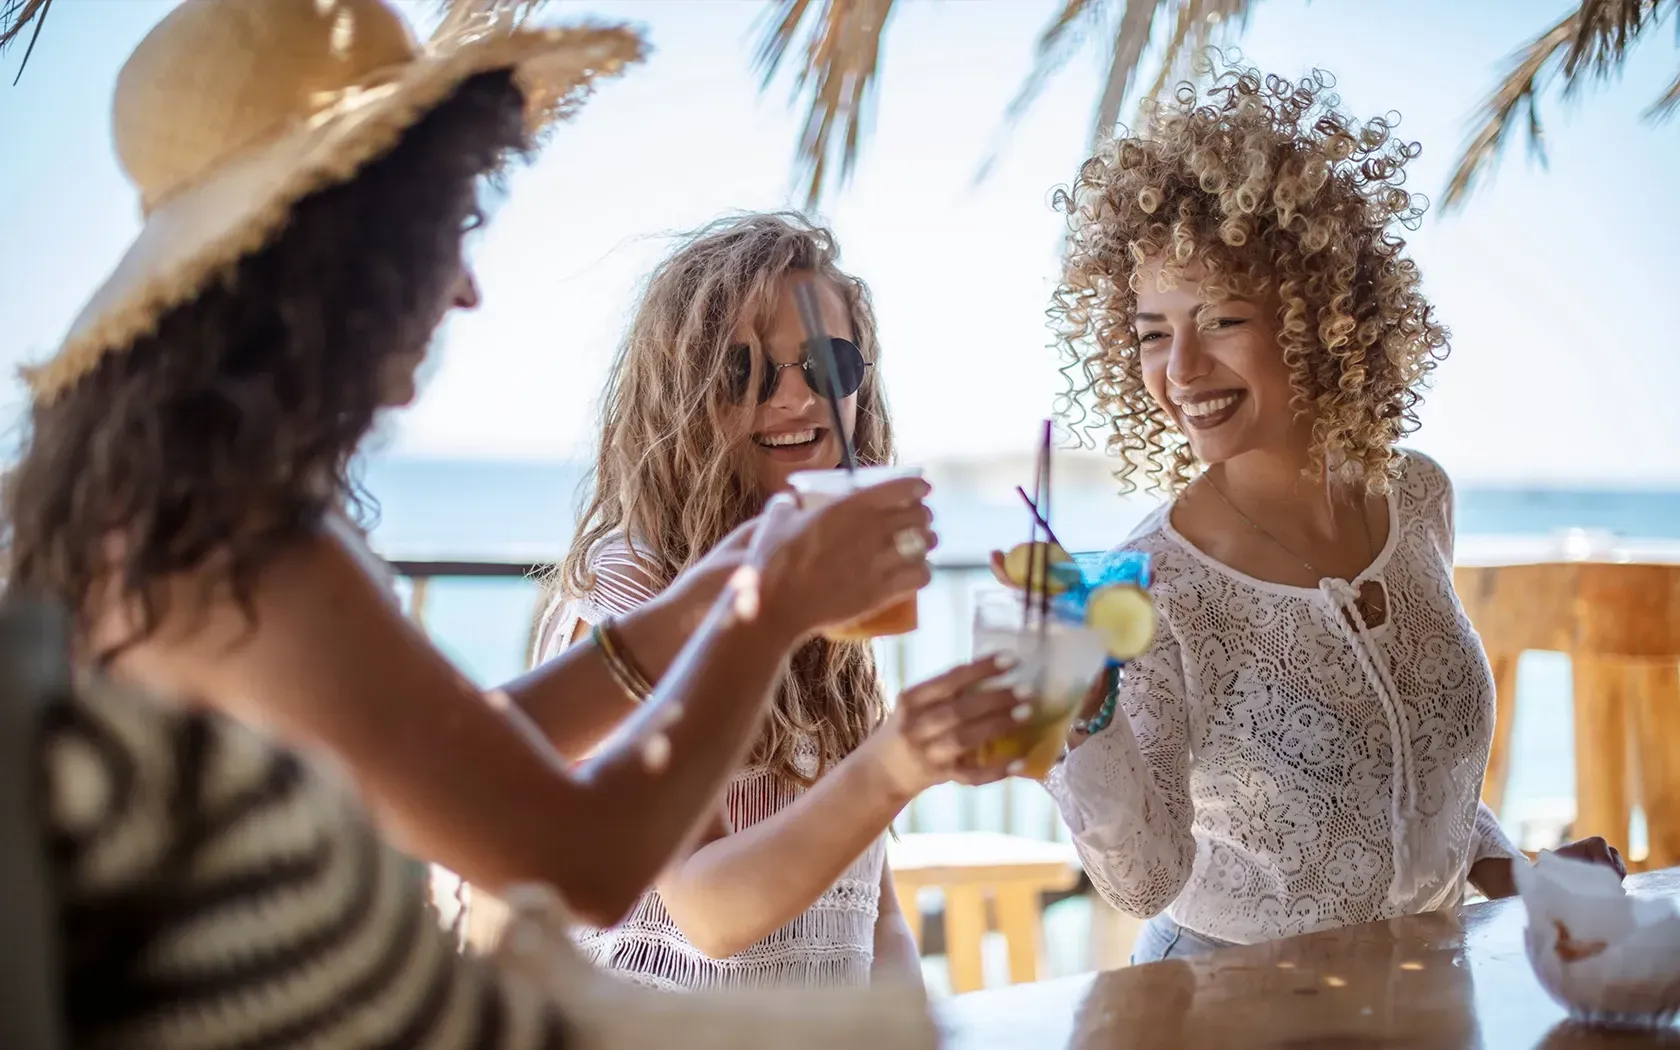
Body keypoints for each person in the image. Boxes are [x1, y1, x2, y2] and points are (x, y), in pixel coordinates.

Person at [1, 0, 941, 935]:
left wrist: (726, 589)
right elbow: (586, 864)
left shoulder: (179, 522)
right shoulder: (248, 562)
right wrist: (764, 614)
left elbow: (470, 744)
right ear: (346, 258)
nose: (465, 285)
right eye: (441, 234)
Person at [1035, 64, 1623, 963]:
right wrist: (1074, 715)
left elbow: (1409, 777)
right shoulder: (1149, 584)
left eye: (1222, 319)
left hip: (1430, 991)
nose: (1182, 370)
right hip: (1225, 1006)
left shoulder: (1417, 496)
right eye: (1154, 332)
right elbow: (1143, 882)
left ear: (1319, 315)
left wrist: (1523, 875)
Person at [529, 213, 1027, 990]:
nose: (795, 397)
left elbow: (874, 910)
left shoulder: (830, 596)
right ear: (682, 397)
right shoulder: (636, 594)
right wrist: (899, 761)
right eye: (743, 372)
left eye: (825, 365)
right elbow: (709, 913)